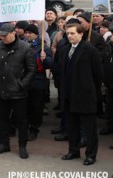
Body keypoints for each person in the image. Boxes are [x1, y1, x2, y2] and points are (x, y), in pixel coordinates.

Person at [0, 23, 36, 159]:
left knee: (21, 120)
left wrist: (21, 84)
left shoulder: (26, 48)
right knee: (3, 118)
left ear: (14, 33)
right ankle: (4, 144)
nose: (2, 38)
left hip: (18, 92)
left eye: (5, 35)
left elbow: (32, 70)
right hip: (1, 89)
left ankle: (22, 146)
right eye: (0, 35)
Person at [59, 23, 103, 166]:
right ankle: (73, 151)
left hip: (85, 97)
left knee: (89, 129)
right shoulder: (65, 49)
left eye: (72, 33)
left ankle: (90, 155)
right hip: (69, 96)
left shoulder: (90, 50)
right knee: (72, 127)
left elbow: (98, 74)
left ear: (81, 34)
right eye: (68, 33)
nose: (70, 36)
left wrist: (90, 91)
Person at [23, 24, 53, 141]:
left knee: (36, 107)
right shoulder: (20, 44)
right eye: (26, 32)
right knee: (24, 107)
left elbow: (50, 65)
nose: (27, 35)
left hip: (37, 81)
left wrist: (44, 59)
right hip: (24, 80)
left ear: (36, 34)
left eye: (30, 33)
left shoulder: (43, 47)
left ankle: (34, 128)